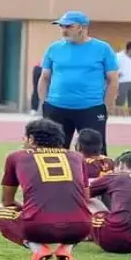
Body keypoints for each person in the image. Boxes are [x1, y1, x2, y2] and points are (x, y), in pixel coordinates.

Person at [0, 118, 91, 260]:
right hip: (80, 228)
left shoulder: (16, 157)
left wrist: (30, 210)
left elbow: (7, 201)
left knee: (0, 213)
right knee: (82, 213)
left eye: (24, 137)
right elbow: (86, 198)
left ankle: (39, 249)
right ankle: (65, 249)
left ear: (31, 139)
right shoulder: (78, 157)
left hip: (37, 228)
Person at [38, 11, 118, 156]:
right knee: (52, 153)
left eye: (69, 26)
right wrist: (45, 104)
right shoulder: (54, 48)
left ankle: (96, 179)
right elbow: (44, 77)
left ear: (82, 27)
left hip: (91, 108)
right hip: (56, 108)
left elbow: (113, 80)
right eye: (61, 26)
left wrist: (105, 106)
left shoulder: (102, 49)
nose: (64, 30)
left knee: (94, 154)